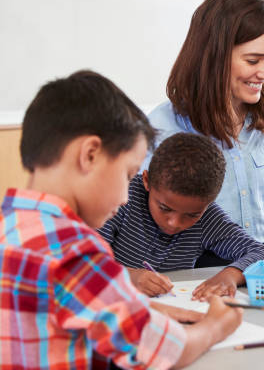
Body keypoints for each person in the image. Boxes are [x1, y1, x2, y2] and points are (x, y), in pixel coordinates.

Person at [0, 71, 242, 369]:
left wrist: (143, 310)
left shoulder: (10, 227)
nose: (126, 197)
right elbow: (162, 352)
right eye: (127, 174)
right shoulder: (76, 251)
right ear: (90, 155)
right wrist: (216, 326)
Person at [146, 0, 264, 243]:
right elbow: (143, 223)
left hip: (255, 269)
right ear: (214, 58)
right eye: (253, 61)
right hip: (188, 275)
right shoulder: (162, 125)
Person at [98, 132, 264, 299]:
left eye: (192, 215)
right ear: (147, 181)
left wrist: (230, 276)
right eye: (164, 208)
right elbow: (81, 260)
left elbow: (260, 253)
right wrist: (128, 277)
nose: (174, 223)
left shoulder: (207, 218)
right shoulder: (120, 198)